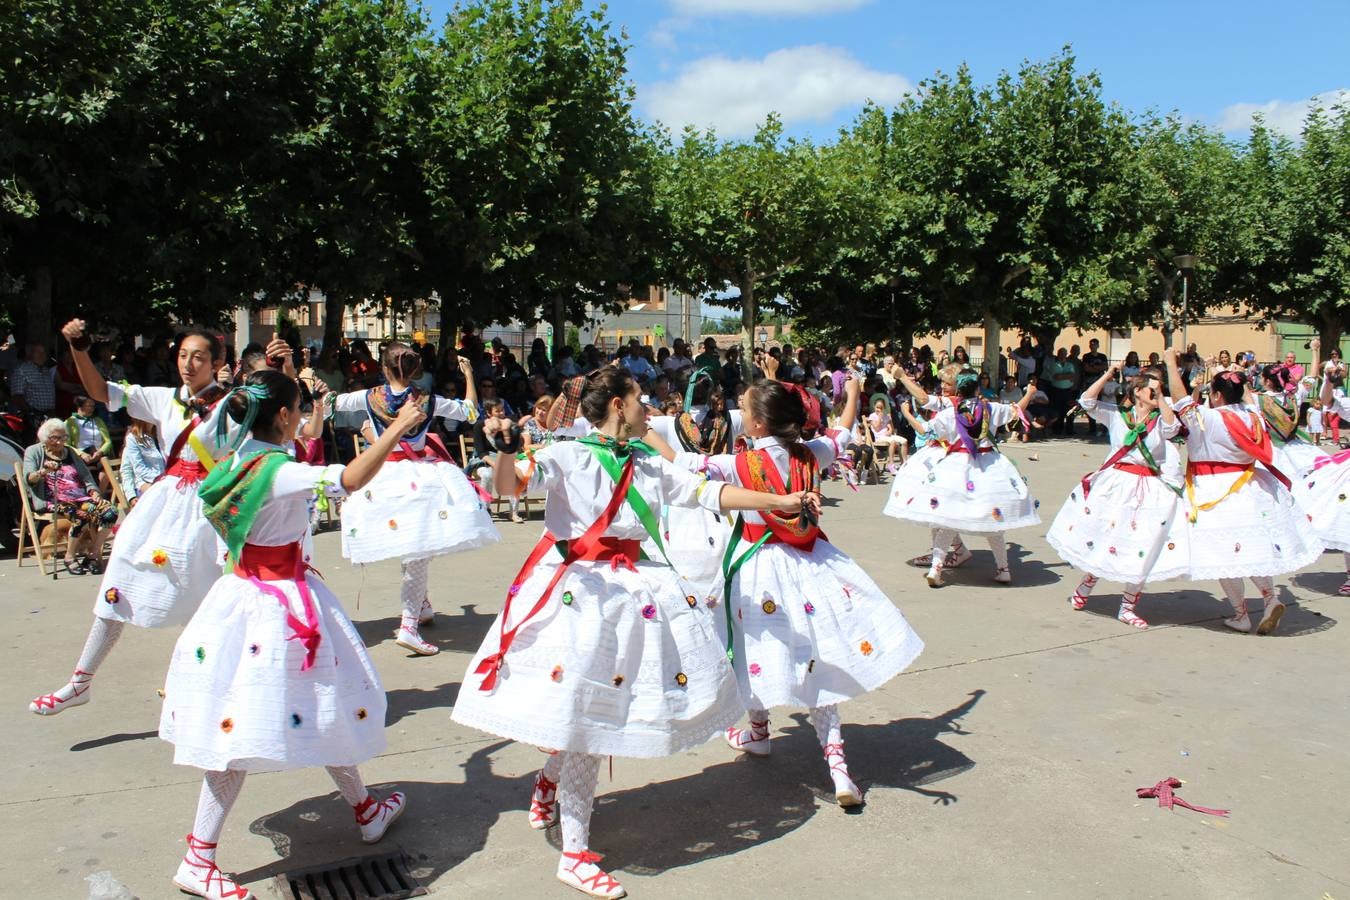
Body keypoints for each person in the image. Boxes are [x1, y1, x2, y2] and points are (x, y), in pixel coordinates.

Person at [451, 367, 815, 898]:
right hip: (579, 599)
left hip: (634, 595)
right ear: (618, 406)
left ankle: (551, 780)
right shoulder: (566, 456)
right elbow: (509, 486)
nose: (649, 409)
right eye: (641, 400)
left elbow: (707, 493)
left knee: (594, 714)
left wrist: (777, 503)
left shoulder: (646, 464)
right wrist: (506, 450)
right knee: (586, 716)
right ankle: (574, 853)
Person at [159, 370, 418, 900]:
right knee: (244, 731)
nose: (302, 416)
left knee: (321, 705)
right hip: (276, 608)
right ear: (282, 415)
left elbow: (221, 429)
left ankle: (366, 808)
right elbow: (348, 479)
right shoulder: (277, 471)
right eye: (298, 408)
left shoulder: (232, 454)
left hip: (245, 598)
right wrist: (399, 429)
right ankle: (197, 857)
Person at [665, 374, 922, 807]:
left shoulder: (737, 464)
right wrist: (854, 393)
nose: (740, 415)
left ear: (760, 425)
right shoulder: (810, 454)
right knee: (815, 662)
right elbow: (841, 433)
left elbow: (683, 465)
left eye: (744, 410)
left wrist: (642, 438)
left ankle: (760, 732)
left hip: (759, 569)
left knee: (755, 649)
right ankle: (838, 768)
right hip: (813, 566)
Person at [28, 319, 238, 717]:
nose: (188, 364)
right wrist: (79, 349)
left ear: (217, 361)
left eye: (199, 357)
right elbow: (99, 391)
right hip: (165, 505)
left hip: (208, 510)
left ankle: (201, 689)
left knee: (204, 601)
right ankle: (80, 681)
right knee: (118, 582)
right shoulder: (163, 398)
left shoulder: (236, 405)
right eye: (182, 356)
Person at [331, 344, 499, 655]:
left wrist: (306, 379)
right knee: (417, 551)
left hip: (382, 476)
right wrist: (469, 377)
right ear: (414, 370)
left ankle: (421, 605)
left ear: (383, 369)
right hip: (419, 481)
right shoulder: (426, 400)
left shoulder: (369, 397)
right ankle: (408, 625)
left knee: (413, 547)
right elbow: (471, 411)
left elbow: (331, 404)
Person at [1162, 348, 1320, 633]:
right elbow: (1246, 398)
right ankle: (1270, 599)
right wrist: (1239, 380)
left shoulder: (1206, 419)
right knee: (1252, 552)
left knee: (1224, 557)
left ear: (1218, 396)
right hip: (1251, 487)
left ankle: (1241, 615)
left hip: (1214, 490)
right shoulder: (1252, 416)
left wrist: (1170, 364)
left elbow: (1180, 399)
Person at [1046, 365, 1187, 628]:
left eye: (1159, 388)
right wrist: (1107, 375)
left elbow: (1172, 429)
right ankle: (1085, 587)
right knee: (1105, 537)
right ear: (1136, 391)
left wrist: (1162, 397)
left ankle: (1127, 606)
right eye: (1151, 388)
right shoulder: (1117, 415)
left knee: (1142, 544)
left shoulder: (1159, 419)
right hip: (1116, 485)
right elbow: (1087, 401)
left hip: (1148, 487)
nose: (1156, 392)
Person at [887, 371, 1038, 587]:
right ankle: (1003, 569)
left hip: (957, 467)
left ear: (958, 391)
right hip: (989, 466)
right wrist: (1030, 393)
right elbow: (1016, 412)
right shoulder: (990, 408)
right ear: (978, 389)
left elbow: (927, 431)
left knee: (947, 518)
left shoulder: (950, 412)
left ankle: (936, 569)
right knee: (993, 521)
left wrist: (907, 414)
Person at [645, 367, 744, 599]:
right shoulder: (732, 419)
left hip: (684, 510)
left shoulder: (666, 425)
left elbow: (632, 425)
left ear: (678, 395)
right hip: (726, 502)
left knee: (685, 583)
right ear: (712, 393)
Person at [23, 419, 118, 575]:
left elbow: (86, 477)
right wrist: (44, 471)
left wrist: (93, 492)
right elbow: (28, 479)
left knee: (111, 512)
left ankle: (93, 555)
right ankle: (69, 556)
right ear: (45, 438)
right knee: (81, 515)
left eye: (63, 437)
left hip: (80, 498)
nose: (60, 442)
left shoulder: (70, 452)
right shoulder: (33, 451)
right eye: (55, 438)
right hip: (53, 500)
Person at [65, 394, 113, 489]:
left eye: (93, 406)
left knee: (105, 472)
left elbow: (108, 441)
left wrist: (100, 452)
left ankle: (100, 496)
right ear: (80, 406)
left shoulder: (98, 420)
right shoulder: (69, 422)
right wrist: (81, 454)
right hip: (81, 455)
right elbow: (66, 444)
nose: (92, 408)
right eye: (89, 405)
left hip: (98, 454)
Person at [120, 418, 166, 505]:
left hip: (167, 481)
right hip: (148, 483)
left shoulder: (161, 436)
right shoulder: (132, 439)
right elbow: (127, 470)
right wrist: (131, 496)